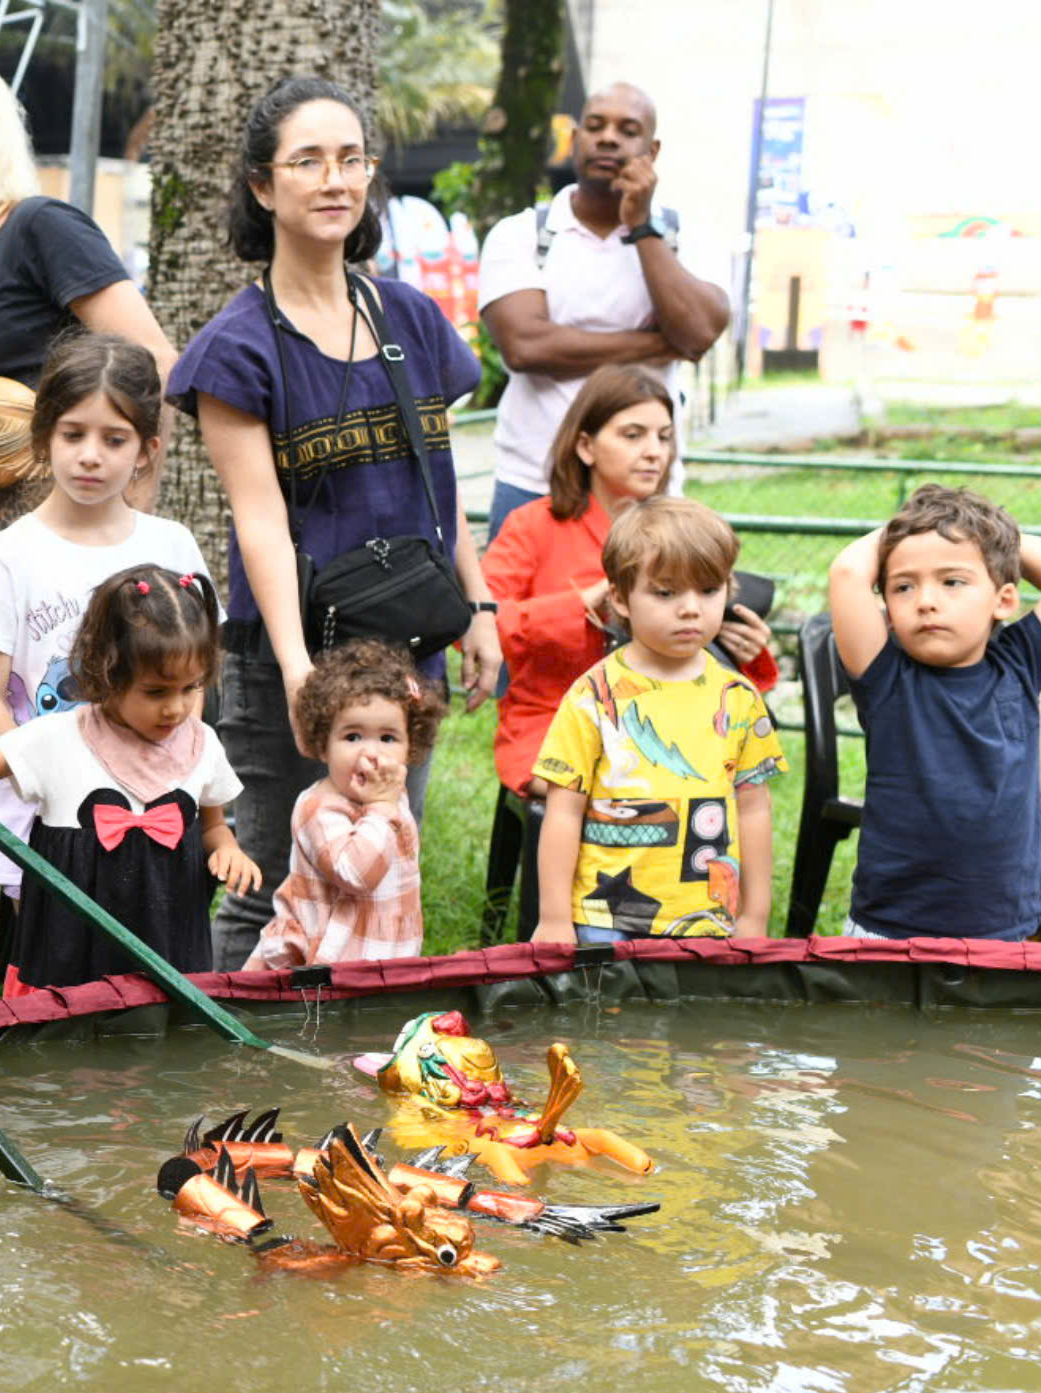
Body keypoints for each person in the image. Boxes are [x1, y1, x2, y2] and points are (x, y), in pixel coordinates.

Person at [168, 75, 499, 971]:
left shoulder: (413, 319)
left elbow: (440, 481)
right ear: (262, 186)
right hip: (291, 651)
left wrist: (480, 609)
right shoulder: (237, 347)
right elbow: (259, 522)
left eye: (351, 159)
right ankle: (231, 1102)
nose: (334, 179)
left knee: (384, 874)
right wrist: (296, 673)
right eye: (307, 160)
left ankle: (353, 1087)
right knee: (266, 886)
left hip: (404, 656)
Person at [0, 59, 178, 1011]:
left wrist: (109, 491)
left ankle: (57, 999)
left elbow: (150, 364)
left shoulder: (41, 226)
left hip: (55, 533)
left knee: (76, 775)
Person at [0, 332, 207, 972]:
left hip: (154, 818)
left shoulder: (174, 548)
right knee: (47, 973)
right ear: (43, 438)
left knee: (153, 979)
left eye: (114, 440)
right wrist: (46, 775)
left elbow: (196, 688)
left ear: (146, 449)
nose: (91, 456)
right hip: (44, 821)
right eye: (72, 434)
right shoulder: (5, 556)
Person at [0, 568, 259, 992]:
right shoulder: (61, 737)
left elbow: (212, 824)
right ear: (107, 671)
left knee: (164, 1047)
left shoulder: (201, 743)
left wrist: (227, 850)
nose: (176, 709)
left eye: (191, 687)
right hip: (69, 957)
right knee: (68, 1048)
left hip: (170, 949)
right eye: (156, 692)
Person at [485, 365, 775, 796]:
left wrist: (747, 652)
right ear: (585, 446)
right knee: (621, 784)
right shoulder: (532, 525)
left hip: (668, 717)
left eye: (664, 436)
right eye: (633, 435)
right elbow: (479, 624)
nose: (654, 452)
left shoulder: (680, 528)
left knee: (726, 783)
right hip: (552, 718)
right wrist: (580, 604)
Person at [824, 488, 1041, 941]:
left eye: (952, 581)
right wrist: (919, 530)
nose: (926, 600)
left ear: (1003, 600)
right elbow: (847, 572)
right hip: (889, 931)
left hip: (1003, 931)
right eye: (904, 586)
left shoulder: (1019, 664)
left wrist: (985, 535)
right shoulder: (885, 676)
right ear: (885, 607)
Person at [475, 83, 731, 537]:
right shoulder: (520, 234)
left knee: (646, 608)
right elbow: (526, 347)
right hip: (534, 483)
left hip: (645, 494)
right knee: (524, 610)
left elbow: (696, 332)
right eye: (595, 126)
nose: (608, 138)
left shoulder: (685, 236)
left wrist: (642, 226)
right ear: (574, 141)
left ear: (651, 150)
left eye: (627, 130)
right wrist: (658, 345)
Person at [530, 499, 784, 944]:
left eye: (708, 590)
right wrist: (553, 919)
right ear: (620, 599)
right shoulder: (592, 697)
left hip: (708, 921)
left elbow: (755, 809)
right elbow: (563, 811)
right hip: (604, 921)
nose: (690, 609)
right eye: (666, 593)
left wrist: (754, 916)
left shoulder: (738, 699)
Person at [248, 639, 439, 971]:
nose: (372, 753)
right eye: (352, 737)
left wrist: (384, 804)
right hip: (331, 971)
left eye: (388, 738)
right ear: (323, 745)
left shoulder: (391, 794)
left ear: (410, 747)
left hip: (386, 956)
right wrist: (381, 808)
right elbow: (355, 874)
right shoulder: (320, 809)